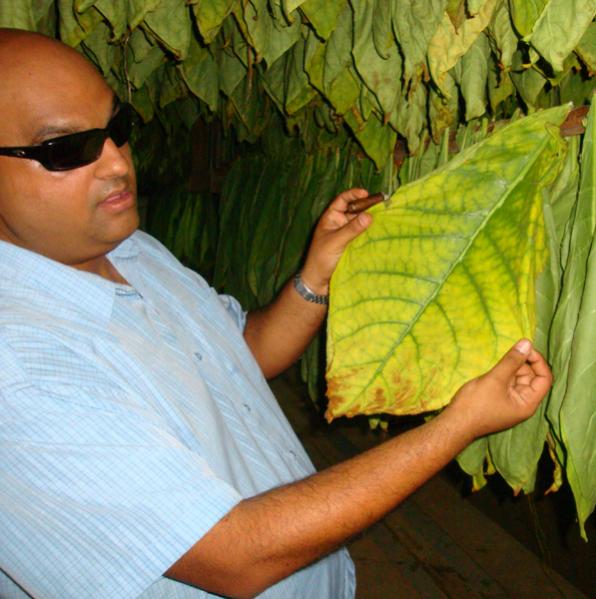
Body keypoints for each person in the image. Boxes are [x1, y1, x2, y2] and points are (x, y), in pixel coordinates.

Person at [0, 29, 552, 599]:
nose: (117, 164)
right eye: (65, 149)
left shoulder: (132, 251)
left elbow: (243, 351)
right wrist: (457, 426)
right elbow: (235, 555)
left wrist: (316, 275)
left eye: (118, 131)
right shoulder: (15, 374)